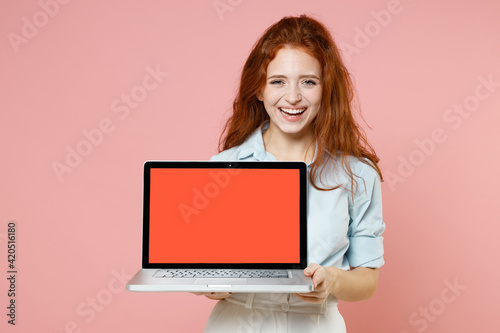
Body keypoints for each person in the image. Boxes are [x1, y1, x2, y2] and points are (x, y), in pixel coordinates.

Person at [195, 14, 385, 332]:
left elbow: (368, 279)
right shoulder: (223, 167)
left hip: (317, 324)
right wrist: (206, 282)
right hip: (238, 323)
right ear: (258, 88)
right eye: (278, 81)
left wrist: (334, 280)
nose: (293, 97)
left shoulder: (357, 175)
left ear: (327, 90)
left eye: (308, 82)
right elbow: (200, 263)